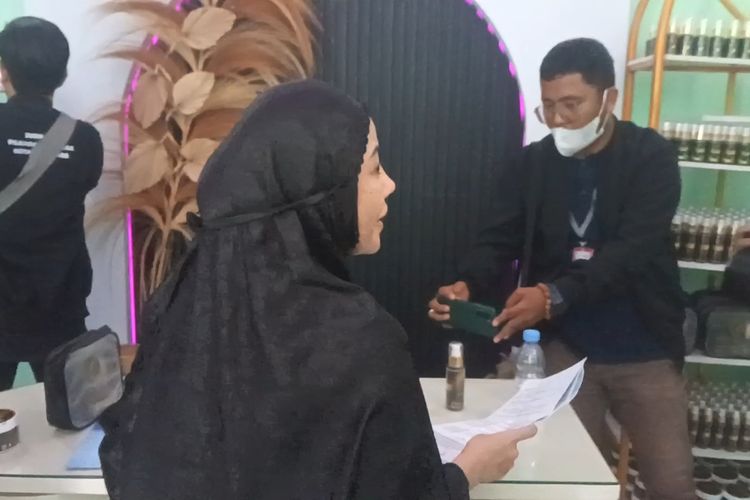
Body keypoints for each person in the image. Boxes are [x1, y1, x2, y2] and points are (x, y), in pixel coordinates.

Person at [99, 80, 536, 500]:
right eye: (374, 168)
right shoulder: (360, 340)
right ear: (324, 191)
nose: (390, 184)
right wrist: (468, 470)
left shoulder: (179, 313)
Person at [429, 38, 695, 499]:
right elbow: (499, 237)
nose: (558, 119)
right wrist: (467, 282)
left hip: (645, 346)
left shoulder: (651, 158)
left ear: (608, 98)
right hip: (563, 350)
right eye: (548, 107)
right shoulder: (534, 164)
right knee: (566, 480)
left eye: (572, 105)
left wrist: (552, 295)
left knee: (672, 484)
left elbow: (631, 252)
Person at [0, 17, 103, 390]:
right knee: (68, 413)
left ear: (4, 72)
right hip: (61, 305)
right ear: (61, 74)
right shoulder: (86, 140)